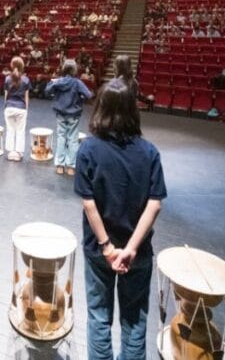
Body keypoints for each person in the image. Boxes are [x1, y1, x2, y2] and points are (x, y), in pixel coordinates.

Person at [75, 79, 166, 360]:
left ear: (100, 109)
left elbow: (89, 204)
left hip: (99, 251)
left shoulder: (88, 150)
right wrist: (131, 249)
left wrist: (107, 246)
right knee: (135, 320)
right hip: (138, 254)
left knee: (99, 316)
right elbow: (154, 205)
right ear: (132, 110)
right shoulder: (149, 152)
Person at [45, 59, 94, 176]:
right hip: (74, 115)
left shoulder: (59, 81)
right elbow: (88, 95)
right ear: (74, 70)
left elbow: (47, 91)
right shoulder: (77, 83)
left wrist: (53, 83)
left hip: (61, 114)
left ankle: (60, 166)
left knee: (61, 138)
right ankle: (71, 167)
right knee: (72, 140)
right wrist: (80, 99)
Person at [3, 57, 31, 161]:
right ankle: (18, 153)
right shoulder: (26, 80)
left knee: (10, 130)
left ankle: (10, 152)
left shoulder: (7, 79)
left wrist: (5, 106)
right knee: (20, 131)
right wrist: (26, 109)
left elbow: (6, 95)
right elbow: (26, 97)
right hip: (21, 108)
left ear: (12, 65)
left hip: (9, 107)